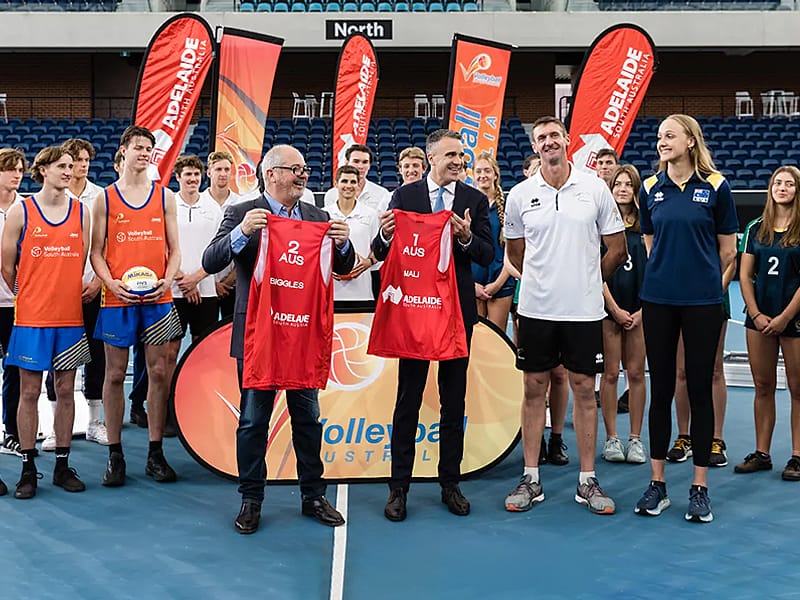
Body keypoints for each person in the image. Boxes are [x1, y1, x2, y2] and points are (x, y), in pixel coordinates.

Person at [202, 145, 355, 535]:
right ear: (271, 174)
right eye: (296, 169)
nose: (304, 175)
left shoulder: (318, 216)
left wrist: (342, 242)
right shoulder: (242, 212)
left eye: (305, 169)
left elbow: (344, 265)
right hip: (259, 336)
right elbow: (211, 261)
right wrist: (241, 233)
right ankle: (251, 498)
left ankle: (313, 495)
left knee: (308, 420)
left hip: (302, 334)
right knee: (254, 422)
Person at [503, 116, 626, 515]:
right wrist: (544, 280)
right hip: (536, 309)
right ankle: (531, 477)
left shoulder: (595, 188)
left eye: (554, 135)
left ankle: (587, 480)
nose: (549, 142)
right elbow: (516, 251)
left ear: (567, 140)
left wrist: (589, 282)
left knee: (584, 390)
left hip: (584, 311)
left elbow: (617, 247)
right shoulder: (521, 193)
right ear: (536, 147)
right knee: (533, 389)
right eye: (541, 138)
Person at [373, 129, 493, 522]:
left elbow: (487, 253)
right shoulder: (405, 197)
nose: (459, 161)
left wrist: (465, 237)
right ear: (431, 159)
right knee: (407, 400)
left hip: (456, 314)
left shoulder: (474, 200)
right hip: (413, 313)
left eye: (462, 155)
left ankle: (450, 483)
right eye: (452, 155)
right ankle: (399, 488)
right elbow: (380, 250)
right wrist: (384, 236)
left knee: (453, 400)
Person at [633, 114, 738, 523]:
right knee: (661, 388)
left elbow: (727, 251)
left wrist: (710, 285)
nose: (662, 142)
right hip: (658, 300)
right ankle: (657, 484)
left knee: (699, 386)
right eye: (659, 137)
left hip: (702, 303)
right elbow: (649, 241)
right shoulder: (649, 188)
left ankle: (699, 487)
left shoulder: (716, 187)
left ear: (691, 141)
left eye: (670, 135)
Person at [91, 125, 183, 487]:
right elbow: (96, 252)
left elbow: (175, 250)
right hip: (117, 298)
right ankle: (115, 454)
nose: (145, 153)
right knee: (114, 374)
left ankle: (155, 452)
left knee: (158, 373)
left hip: (158, 298)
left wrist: (168, 278)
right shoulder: (106, 199)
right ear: (124, 151)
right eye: (139, 147)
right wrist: (110, 282)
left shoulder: (165, 197)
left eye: (150, 149)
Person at [1, 146, 91, 498]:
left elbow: (82, 260)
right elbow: (7, 268)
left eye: (72, 166)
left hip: (69, 319)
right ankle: (27, 467)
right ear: (44, 170)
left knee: (66, 391)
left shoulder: (82, 213)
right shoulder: (22, 211)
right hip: (30, 320)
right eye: (62, 166)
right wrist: (32, 295)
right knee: (28, 392)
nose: (69, 171)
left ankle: (62, 465)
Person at [42, 138, 108, 450]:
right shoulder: (54, 196)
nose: (80, 166)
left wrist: (96, 282)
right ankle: (56, 428)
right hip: (59, 294)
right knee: (57, 359)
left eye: (84, 160)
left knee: (96, 355)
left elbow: (106, 246)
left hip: (94, 289)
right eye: (73, 161)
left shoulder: (101, 196)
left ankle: (95, 421)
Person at [735, 166, 800, 481]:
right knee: (763, 386)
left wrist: (785, 316)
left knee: (798, 389)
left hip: (794, 318)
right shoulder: (754, 228)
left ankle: (798, 456)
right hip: (759, 318)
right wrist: (757, 313)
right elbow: (745, 275)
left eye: (789, 183)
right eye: (778, 182)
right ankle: (762, 453)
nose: (783, 187)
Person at [599, 165, 648, 464]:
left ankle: (635, 439)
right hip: (609, 310)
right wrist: (614, 309)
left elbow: (655, 270)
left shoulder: (647, 227)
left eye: (628, 184)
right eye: (618, 183)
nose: (622, 189)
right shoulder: (601, 226)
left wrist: (642, 311)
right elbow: (595, 272)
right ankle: (612, 438)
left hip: (640, 311)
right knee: (610, 373)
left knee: (636, 373)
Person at [169, 155, 222, 343]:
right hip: (174, 290)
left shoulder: (214, 209)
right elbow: (161, 247)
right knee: (169, 352)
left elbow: (218, 250)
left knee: (202, 350)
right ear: (178, 177)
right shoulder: (168, 205)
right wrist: (184, 281)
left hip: (206, 290)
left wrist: (196, 279)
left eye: (196, 174)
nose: (193, 178)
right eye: (188, 174)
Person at [472, 152, 515, 331]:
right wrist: (471, 284)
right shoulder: (466, 205)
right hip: (473, 281)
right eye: (479, 171)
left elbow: (514, 250)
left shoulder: (509, 205)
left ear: (495, 174)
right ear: (473, 176)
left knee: (498, 341)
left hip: (501, 279)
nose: (483, 175)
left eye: (487, 171)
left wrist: (498, 283)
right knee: (475, 339)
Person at [0, 148, 25, 457]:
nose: (17, 174)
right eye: (10, 169)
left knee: (16, 368)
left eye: (20, 169)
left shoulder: (26, 208)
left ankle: (12, 430)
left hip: (17, 304)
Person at [328, 165, 379, 301]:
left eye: (353, 182)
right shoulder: (324, 214)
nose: (348, 186)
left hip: (362, 290)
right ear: (335, 184)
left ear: (358, 185)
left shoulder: (371, 214)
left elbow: (378, 248)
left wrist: (368, 262)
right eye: (344, 181)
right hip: (332, 290)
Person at [199, 151, 239, 320]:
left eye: (226, 169)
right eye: (218, 169)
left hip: (233, 282)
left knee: (233, 335)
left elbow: (244, 245)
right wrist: (210, 282)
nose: (223, 174)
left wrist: (229, 281)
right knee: (203, 336)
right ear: (209, 172)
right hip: (204, 283)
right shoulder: (198, 202)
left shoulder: (240, 204)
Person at [323, 144, 391, 213]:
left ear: (369, 165)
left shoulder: (382, 194)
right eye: (356, 161)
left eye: (365, 162)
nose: (360, 166)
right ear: (346, 162)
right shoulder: (332, 195)